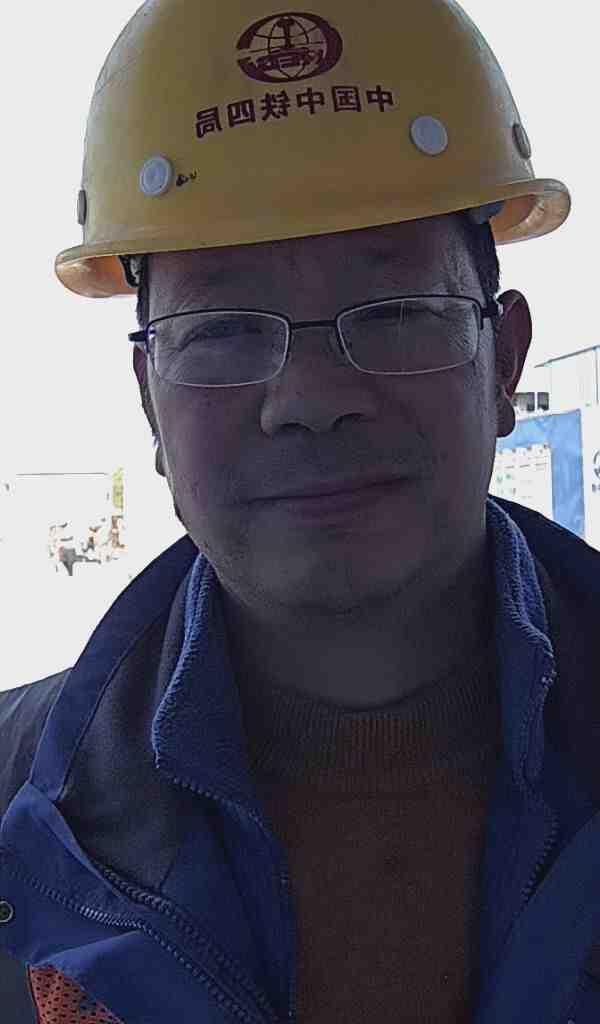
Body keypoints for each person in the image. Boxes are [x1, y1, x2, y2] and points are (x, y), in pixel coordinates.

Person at [1, 2, 599, 1022]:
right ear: (150, 399)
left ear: (503, 360)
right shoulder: (25, 822)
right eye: (224, 329)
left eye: (397, 310)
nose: (311, 398)